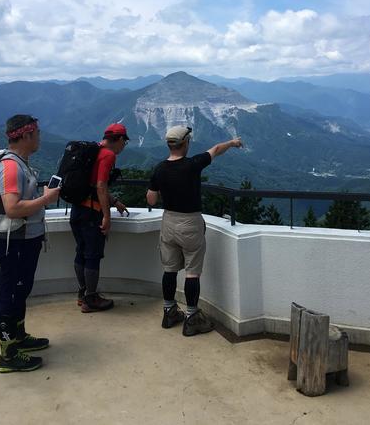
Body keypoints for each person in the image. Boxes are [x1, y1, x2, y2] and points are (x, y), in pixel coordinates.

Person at [146, 126, 242, 336]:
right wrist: (233, 143)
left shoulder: (159, 168)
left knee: (169, 269)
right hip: (190, 222)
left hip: (168, 221)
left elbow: (151, 199)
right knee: (192, 272)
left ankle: (169, 311)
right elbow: (216, 149)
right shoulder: (193, 164)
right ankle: (191, 317)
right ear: (186, 143)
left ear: (169, 145)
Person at [0, 115, 60, 373]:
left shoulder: (19, 164)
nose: (40, 137)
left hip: (22, 241)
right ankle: (8, 356)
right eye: (37, 133)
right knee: (10, 296)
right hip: (14, 243)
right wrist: (47, 199)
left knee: (20, 291)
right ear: (26, 135)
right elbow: (12, 208)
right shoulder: (11, 168)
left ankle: (19, 339)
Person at [69, 123, 129, 312]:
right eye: (124, 143)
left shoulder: (93, 151)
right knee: (93, 256)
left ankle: (83, 293)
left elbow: (93, 184)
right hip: (91, 214)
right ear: (119, 139)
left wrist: (114, 201)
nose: (123, 147)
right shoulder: (108, 155)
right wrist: (106, 216)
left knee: (81, 252)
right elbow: (101, 185)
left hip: (77, 210)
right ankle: (91, 300)